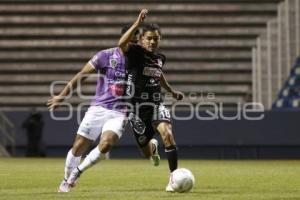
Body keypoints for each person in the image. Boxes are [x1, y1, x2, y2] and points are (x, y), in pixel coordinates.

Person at [47, 26, 160, 193]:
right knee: (78, 147)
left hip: (121, 111)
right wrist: (61, 96)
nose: (134, 46)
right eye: (131, 42)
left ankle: (75, 175)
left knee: (106, 144)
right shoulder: (105, 56)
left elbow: (156, 75)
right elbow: (81, 75)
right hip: (98, 108)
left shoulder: (141, 58)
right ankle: (66, 177)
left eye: (137, 42)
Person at [118, 9, 183, 192]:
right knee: (145, 152)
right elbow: (121, 44)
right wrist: (137, 23)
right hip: (136, 109)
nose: (153, 41)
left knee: (168, 135)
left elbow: (158, 73)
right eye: (149, 38)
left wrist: (170, 91)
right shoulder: (135, 53)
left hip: (155, 103)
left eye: (156, 38)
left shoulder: (160, 58)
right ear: (141, 39)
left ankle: (173, 178)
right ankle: (152, 149)